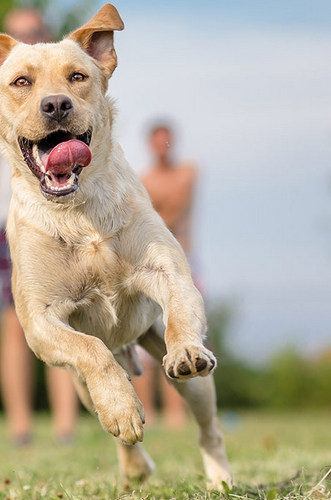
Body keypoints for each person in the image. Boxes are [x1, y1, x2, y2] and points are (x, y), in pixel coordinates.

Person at [0, 8, 78, 446]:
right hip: (9, 217)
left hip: (62, 212)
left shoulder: (65, 87)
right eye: (19, 32)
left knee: (64, 317)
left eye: (35, 31)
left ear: (47, 35)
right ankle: (20, 426)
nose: (28, 37)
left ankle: (66, 426)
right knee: (14, 321)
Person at [132, 122, 198, 429]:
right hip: (151, 257)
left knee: (182, 331)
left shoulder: (188, 173)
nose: (162, 147)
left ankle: (176, 413)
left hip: (184, 258)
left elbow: (174, 208)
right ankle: (150, 411)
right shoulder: (143, 180)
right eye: (157, 142)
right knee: (145, 338)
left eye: (166, 141)